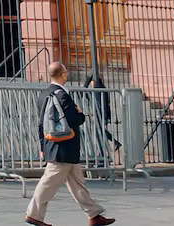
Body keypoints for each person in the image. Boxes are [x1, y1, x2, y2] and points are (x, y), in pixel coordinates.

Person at [25, 62, 116, 226]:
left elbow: (41, 124)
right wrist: (81, 115)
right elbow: (74, 119)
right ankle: (34, 215)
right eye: (66, 72)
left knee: (77, 184)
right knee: (48, 183)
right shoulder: (62, 95)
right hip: (64, 147)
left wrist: (42, 146)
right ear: (63, 74)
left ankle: (94, 214)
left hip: (53, 144)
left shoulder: (43, 94)